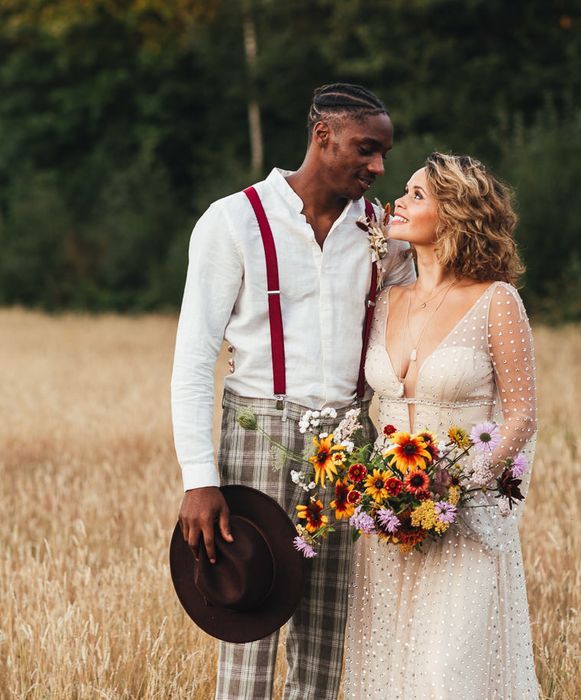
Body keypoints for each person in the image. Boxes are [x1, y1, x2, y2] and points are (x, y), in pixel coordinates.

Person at [171, 83, 415, 700]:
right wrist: (198, 478)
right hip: (255, 435)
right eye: (366, 149)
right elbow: (195, 358)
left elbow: (407, 342)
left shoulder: (384, 232)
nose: (379, 167)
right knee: (249, 625)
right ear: (322, 135)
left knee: (327, 643)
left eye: (384, 153)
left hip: (350, 443)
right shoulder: (233, 220)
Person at [344, 153, 539, 699]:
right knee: (386, 674)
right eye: (402, 193)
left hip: (463, 521)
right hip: (385, 521)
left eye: (416, 195)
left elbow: (522, 415)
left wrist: (455, 487)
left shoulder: (497, 301)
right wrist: (374, 488)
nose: (398, 203)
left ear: (455, 215)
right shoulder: (386, 299)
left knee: (447, 677)